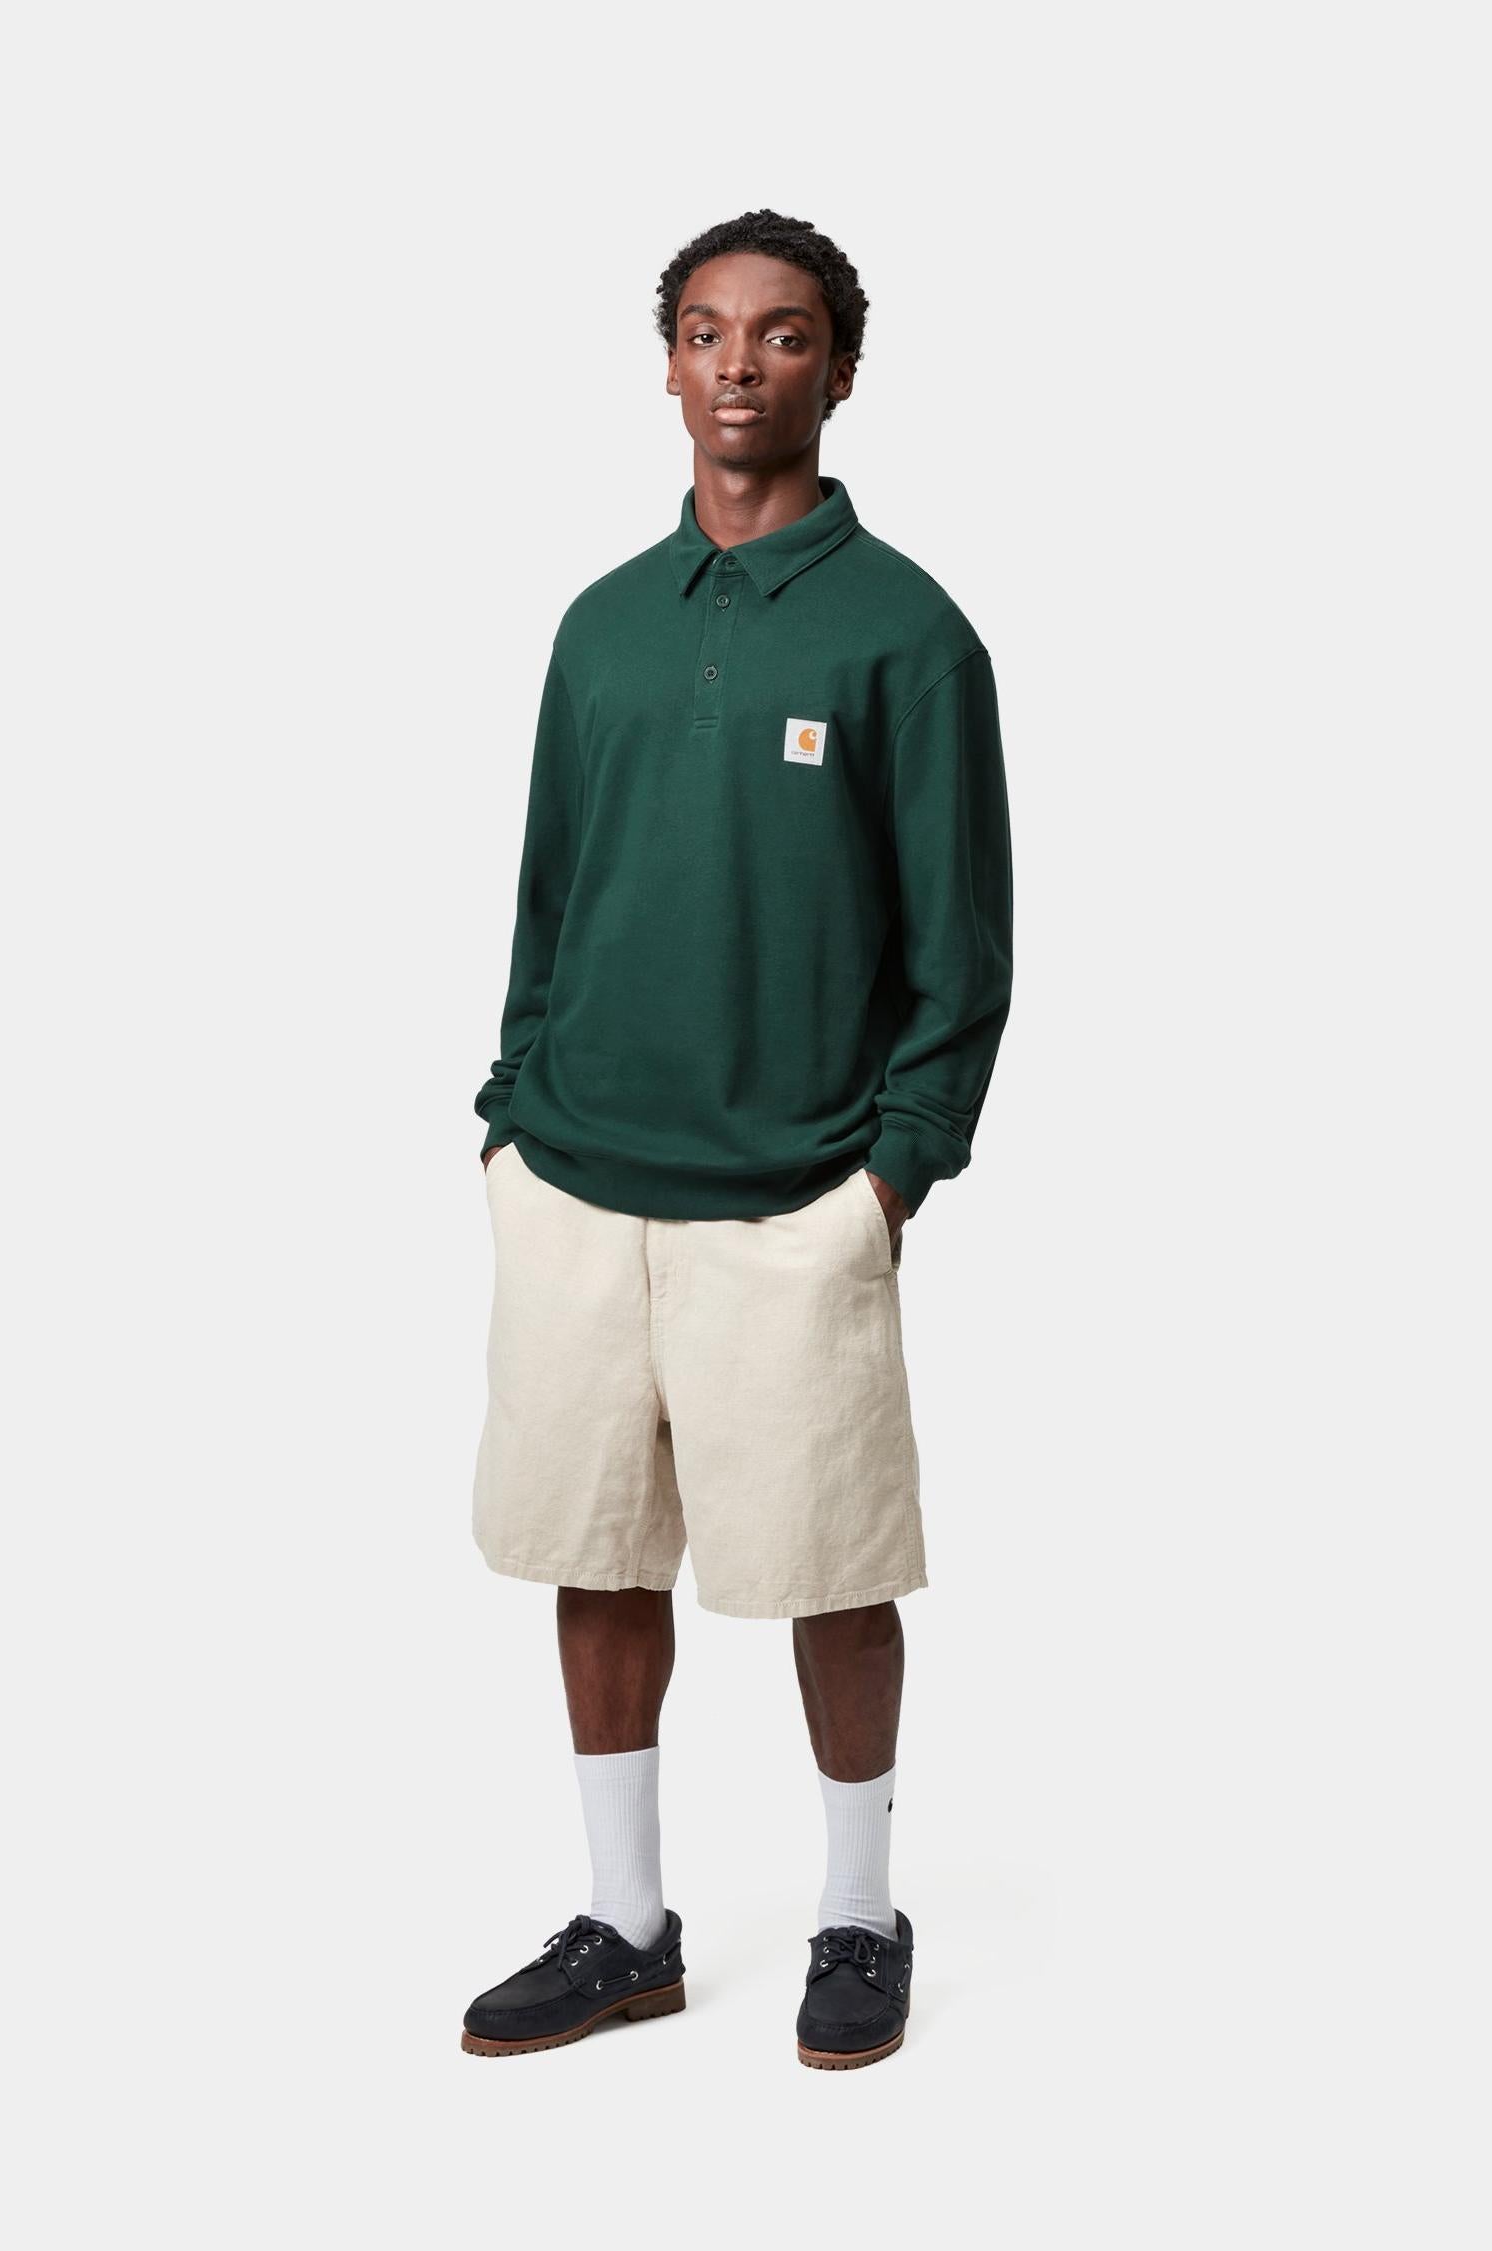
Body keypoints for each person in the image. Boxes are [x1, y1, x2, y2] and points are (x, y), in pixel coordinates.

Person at [462, 208, 1013, 2070]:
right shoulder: (602, 624)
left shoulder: (907, 634)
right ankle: (626, 1927)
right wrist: (507, 1118)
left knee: (830, 1570)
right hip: (572, 1182)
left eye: (780, 335)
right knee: (595, 1555)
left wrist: (890, 1178)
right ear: (667, 364)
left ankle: (857, 1913)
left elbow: (961, 948)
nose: (738, 366)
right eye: (705, 332)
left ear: (839, 370)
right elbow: (547, 899)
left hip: (794, 1198)